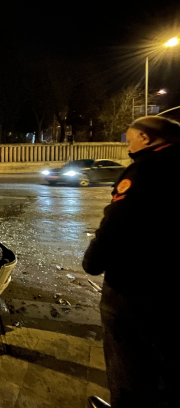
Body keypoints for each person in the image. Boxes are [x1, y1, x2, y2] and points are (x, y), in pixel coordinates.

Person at [83, 116, 180, 408]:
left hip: (134, 286)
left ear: (147, 138)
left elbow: (118, 223)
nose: (128, 145)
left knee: (129, 364)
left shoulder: (146, 169)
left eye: (130, 138)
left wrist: (92, 261)